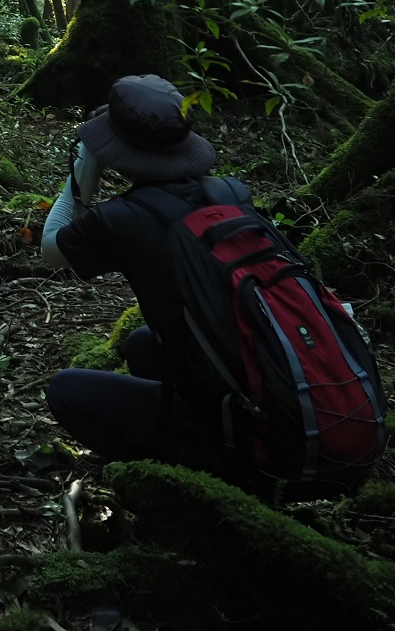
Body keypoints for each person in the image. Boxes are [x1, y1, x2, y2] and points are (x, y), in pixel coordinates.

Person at [39, 74, 247, 473]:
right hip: (266, 383)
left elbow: (52, 247)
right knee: (141, 343)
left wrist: (88, 165)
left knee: (65, 390)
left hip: (241, 422)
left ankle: (185, 469)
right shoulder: (231, 193)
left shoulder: (125, 218)